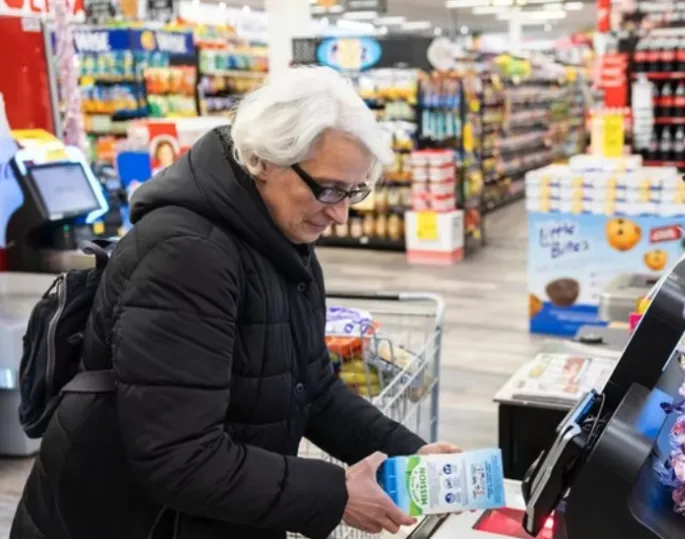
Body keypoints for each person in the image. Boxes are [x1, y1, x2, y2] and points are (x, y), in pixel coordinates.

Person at [11, 66, 460, 539]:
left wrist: (408, 455)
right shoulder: (185, 257)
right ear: (263, 160)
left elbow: (314, 391)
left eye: (354, 192)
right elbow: (180, 456)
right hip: (127, 521)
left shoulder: (284, 243)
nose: (341, 214)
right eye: (328, 189)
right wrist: (335, 495)